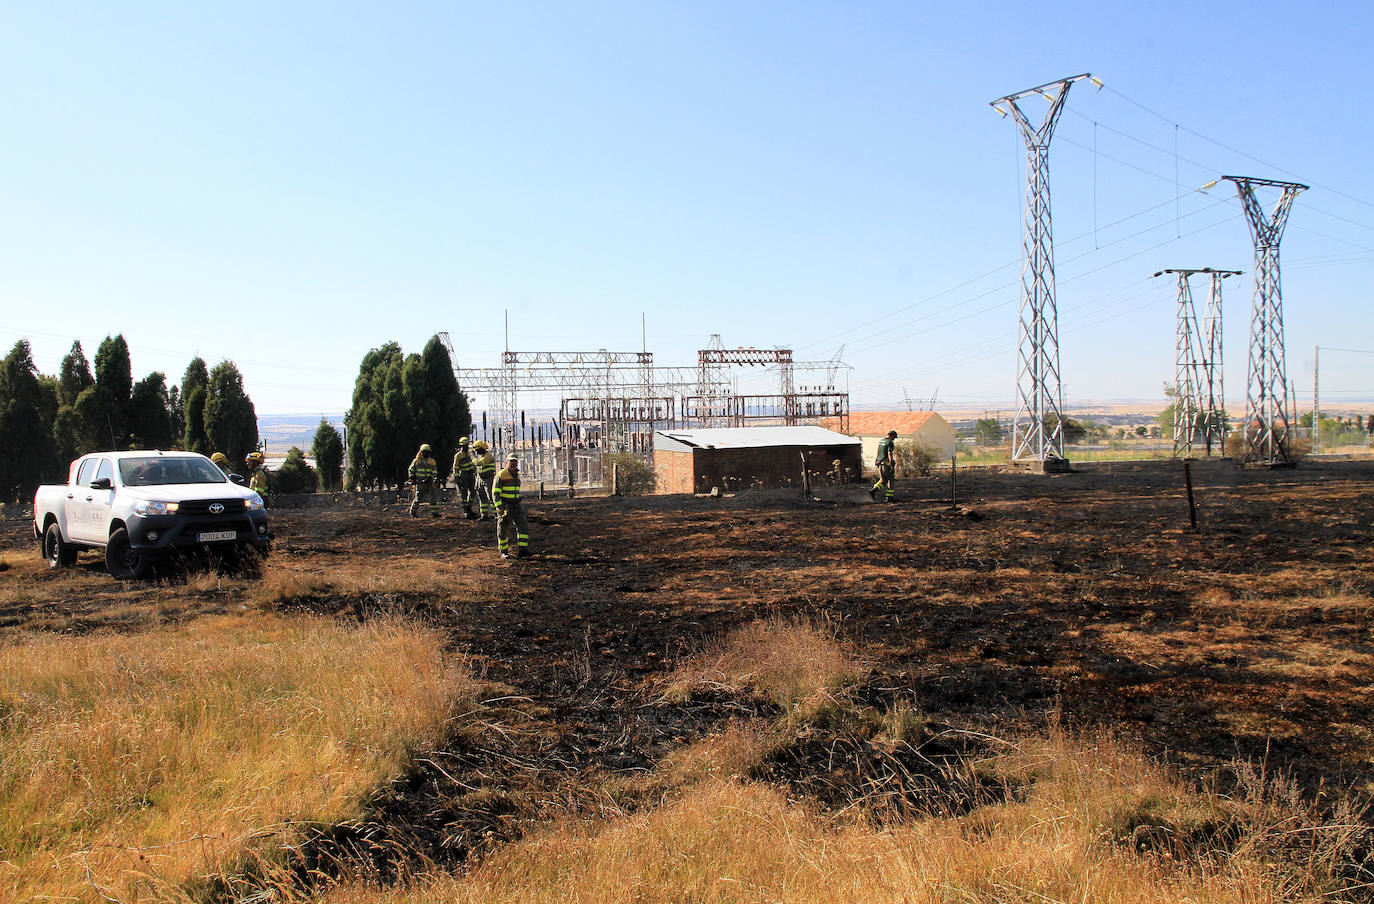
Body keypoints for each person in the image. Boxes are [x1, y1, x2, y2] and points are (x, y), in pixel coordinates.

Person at [492, 454, 529, 558]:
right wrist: (499, 507)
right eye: (511, 461)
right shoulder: (501, 476)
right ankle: (503, 551)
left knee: (523, 527)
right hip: (505, 506)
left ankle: (523, 550)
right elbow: (495, 494)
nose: (513, 463)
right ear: (506, 462)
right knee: (503, 529)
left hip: (516, 505)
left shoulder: (516, 475)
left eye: (515, 462)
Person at [408, 443, 440, 518]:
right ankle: (413, 512)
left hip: (429, 483)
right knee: (418, 498)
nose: (427, 453)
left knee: (433, 498)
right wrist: (412, 478)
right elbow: (411, 470)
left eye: (428, 452)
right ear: (421, 452)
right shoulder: (416, 461)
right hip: (420, 483)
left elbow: (435, 471)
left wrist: (431, 477)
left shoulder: (432, 461)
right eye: (425, 452)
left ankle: (435, 513)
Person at [452, 437, 478, 519]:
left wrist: (476, 474)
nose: (466, 447)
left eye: (467, 445)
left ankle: (469, 508)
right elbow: (455, 468)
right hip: (464, 475)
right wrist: (457, 479)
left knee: (473, 492)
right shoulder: (458, 455)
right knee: (464, 494)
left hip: (471, 475)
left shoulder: (471, 453)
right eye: (464, 445)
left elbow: (475, 464)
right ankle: (466, 511)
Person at [472, 440, 497, 521]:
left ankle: (496, 514)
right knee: (482, 498)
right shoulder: (481, 456)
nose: (476, 451)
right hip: (481, 479)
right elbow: (478, 471)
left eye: (477, 449)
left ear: (482, 448)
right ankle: (484, 515)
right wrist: (477, 482)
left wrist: (472, 457)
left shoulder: (488, 456)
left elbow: (479, 463)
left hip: (488, 479)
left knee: (491, 498)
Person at [872, 429, 898, 502]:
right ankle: (874, 491)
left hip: (879, 461)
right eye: (894, 437)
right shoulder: (890, 442)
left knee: (883, 479)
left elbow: (878, 451)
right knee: (889, 479)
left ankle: (887, 496)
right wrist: (891, 462)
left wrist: (876, 460)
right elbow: (889, 453)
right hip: (886, 463)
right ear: (891, 436)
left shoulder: (881, 441)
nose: (894, 439)